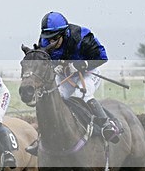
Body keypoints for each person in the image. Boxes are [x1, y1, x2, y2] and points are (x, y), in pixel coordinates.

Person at [32, 11, 120, 153]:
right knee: (56, 99)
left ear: (64, 34)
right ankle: (42, 138)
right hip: (66, 75)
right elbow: (43, 60)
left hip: (89, 73)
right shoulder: (44, 41)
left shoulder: (82, 37)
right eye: (48, 39)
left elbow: (102, 57)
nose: (51, 43)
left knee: (81, 95)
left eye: (54, 39)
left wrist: (80, 65)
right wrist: (55, 66)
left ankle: (106, 125)